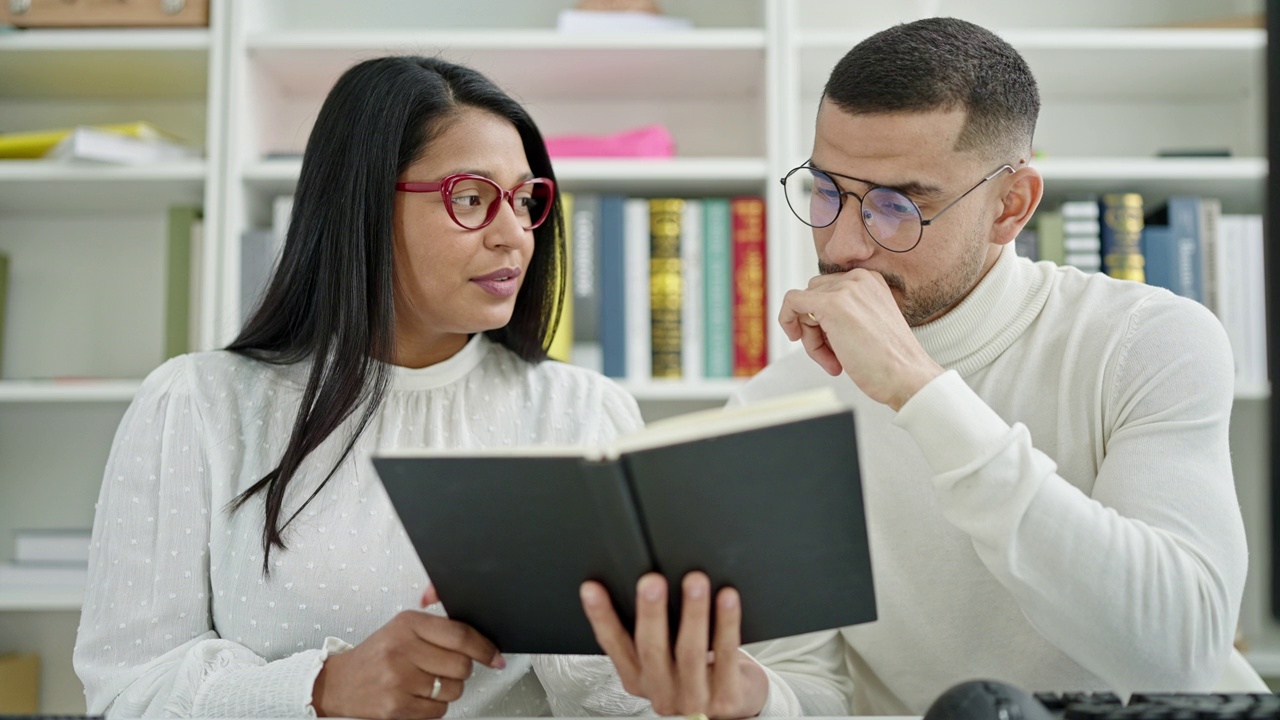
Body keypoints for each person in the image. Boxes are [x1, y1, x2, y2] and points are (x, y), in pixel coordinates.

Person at [559, 16, 1251, 717]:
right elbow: (816, 689)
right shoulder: (778, 404)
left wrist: (921, 391)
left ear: (1010, 207)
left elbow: (1182, 655)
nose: (845, 243)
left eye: (897, 206)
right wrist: (753, 699)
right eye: (826, 191)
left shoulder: (1150, 340)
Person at [72, 55, 652, 719]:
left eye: (525, 200)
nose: (514, 233)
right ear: (364, 204)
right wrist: (322, 689)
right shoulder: (196, 405)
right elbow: (127, 693)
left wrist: (579, 629)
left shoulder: (581, 414)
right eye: (471, 198)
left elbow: (628, 708)